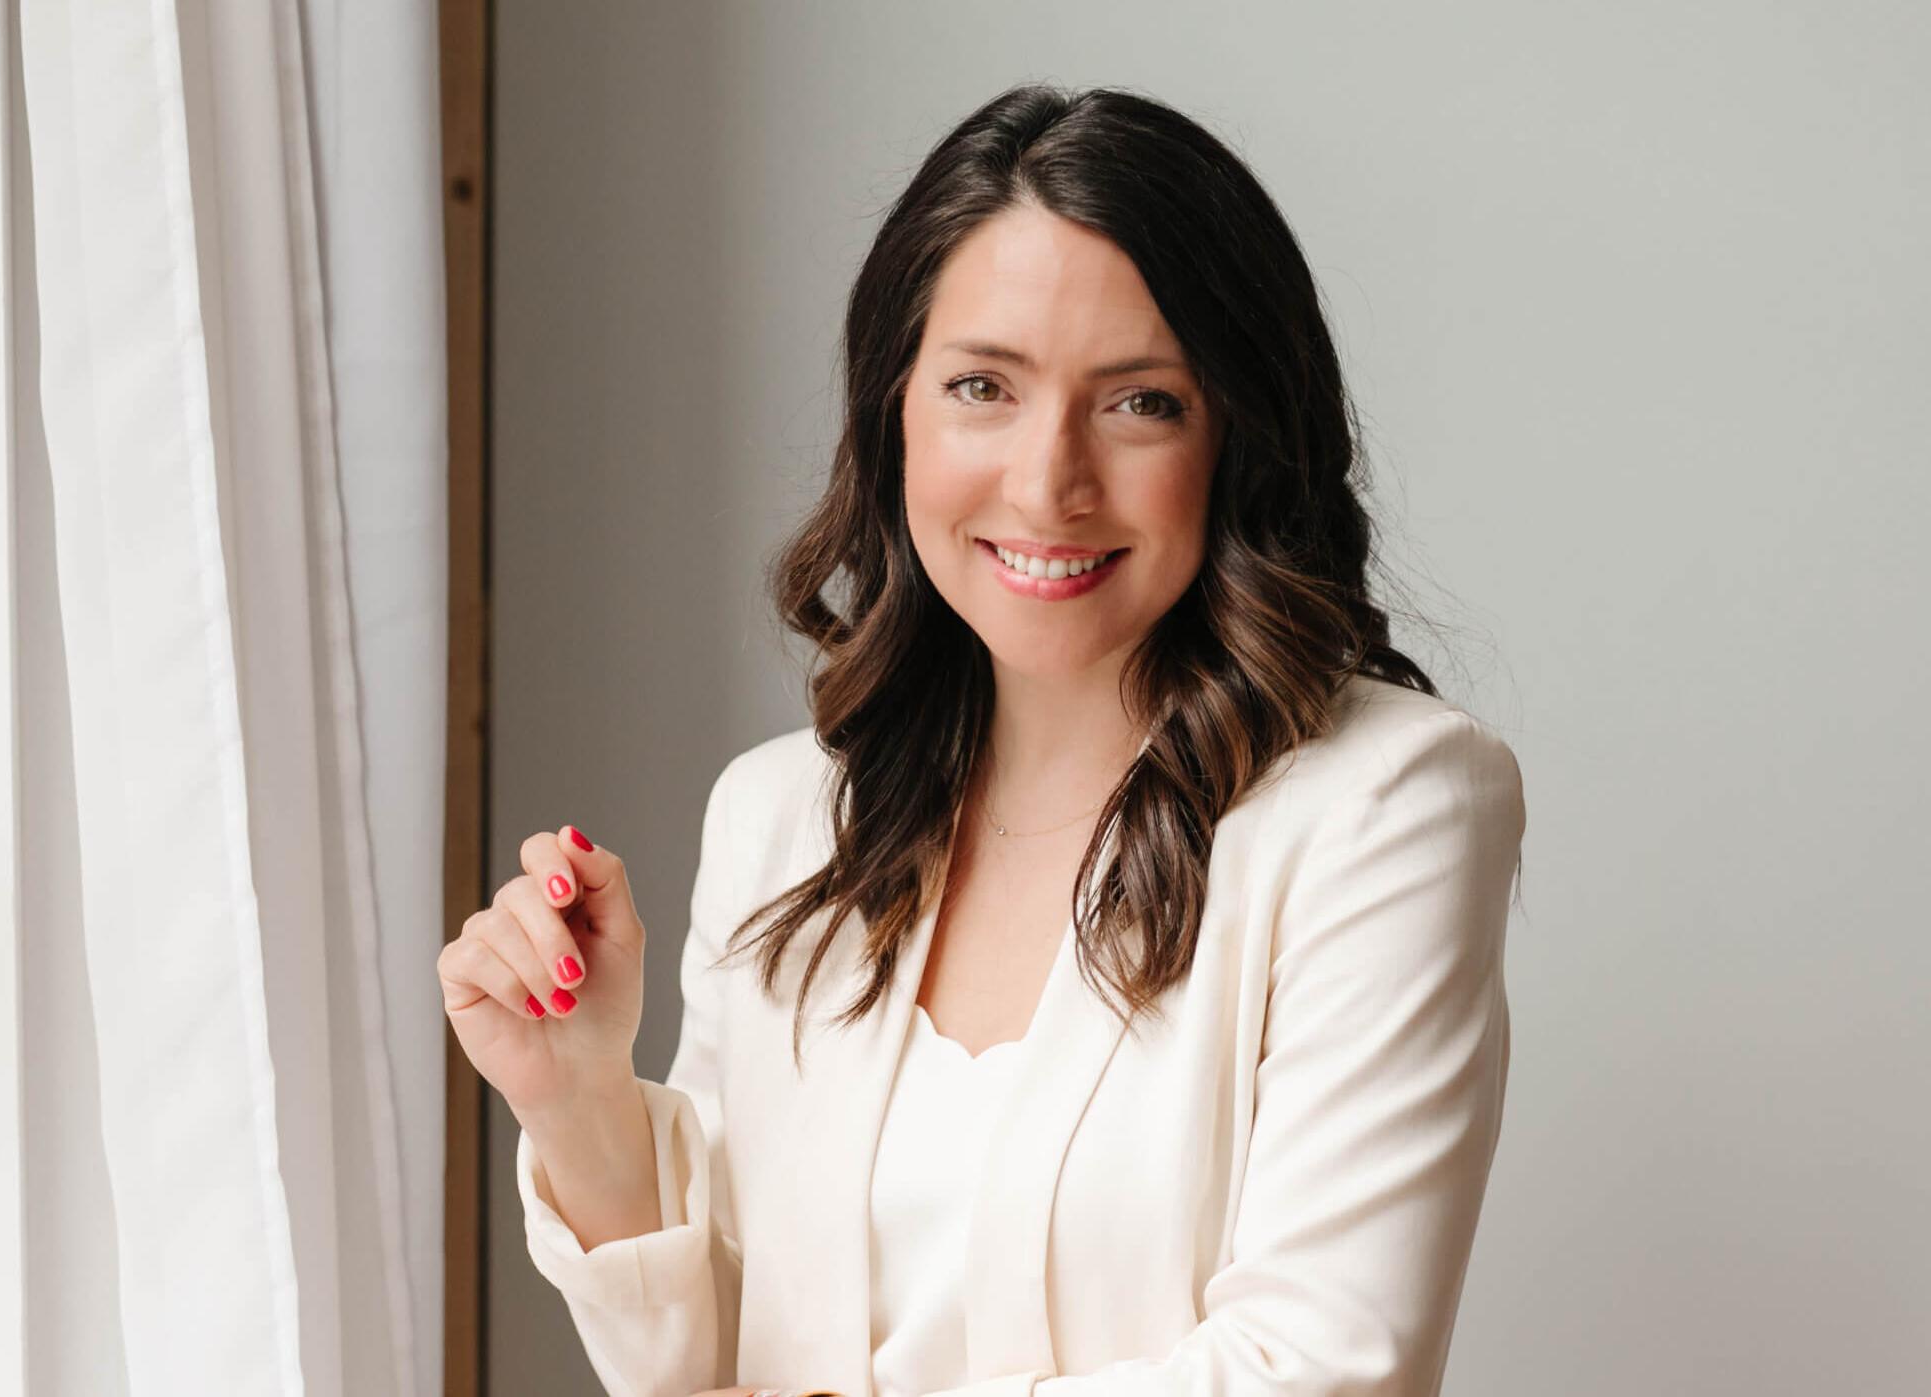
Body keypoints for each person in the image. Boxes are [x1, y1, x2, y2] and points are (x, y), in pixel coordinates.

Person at [439, 82, 1527, 1397]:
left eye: (1140, 403)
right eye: (982, 387)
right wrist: (580, 1106)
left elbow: (1319, 1370)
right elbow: (716, 1359)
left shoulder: (1389, 807)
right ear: (894, 408)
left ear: (1239, 435)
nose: (1048, 482)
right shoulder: (781, 821)